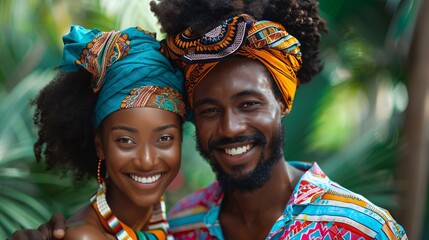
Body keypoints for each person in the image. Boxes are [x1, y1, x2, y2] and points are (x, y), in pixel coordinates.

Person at [10, 0, 408, 239]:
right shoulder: (182, 227)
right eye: (210, 111)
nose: (231, 127)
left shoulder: (360, 229)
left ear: (282, 103)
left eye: (249, 104)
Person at [9, 25, 186, 240]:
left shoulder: (163, 219)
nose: (147, 161)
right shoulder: (85, 236)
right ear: (100, 145)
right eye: (126, 140)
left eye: (164, 138)